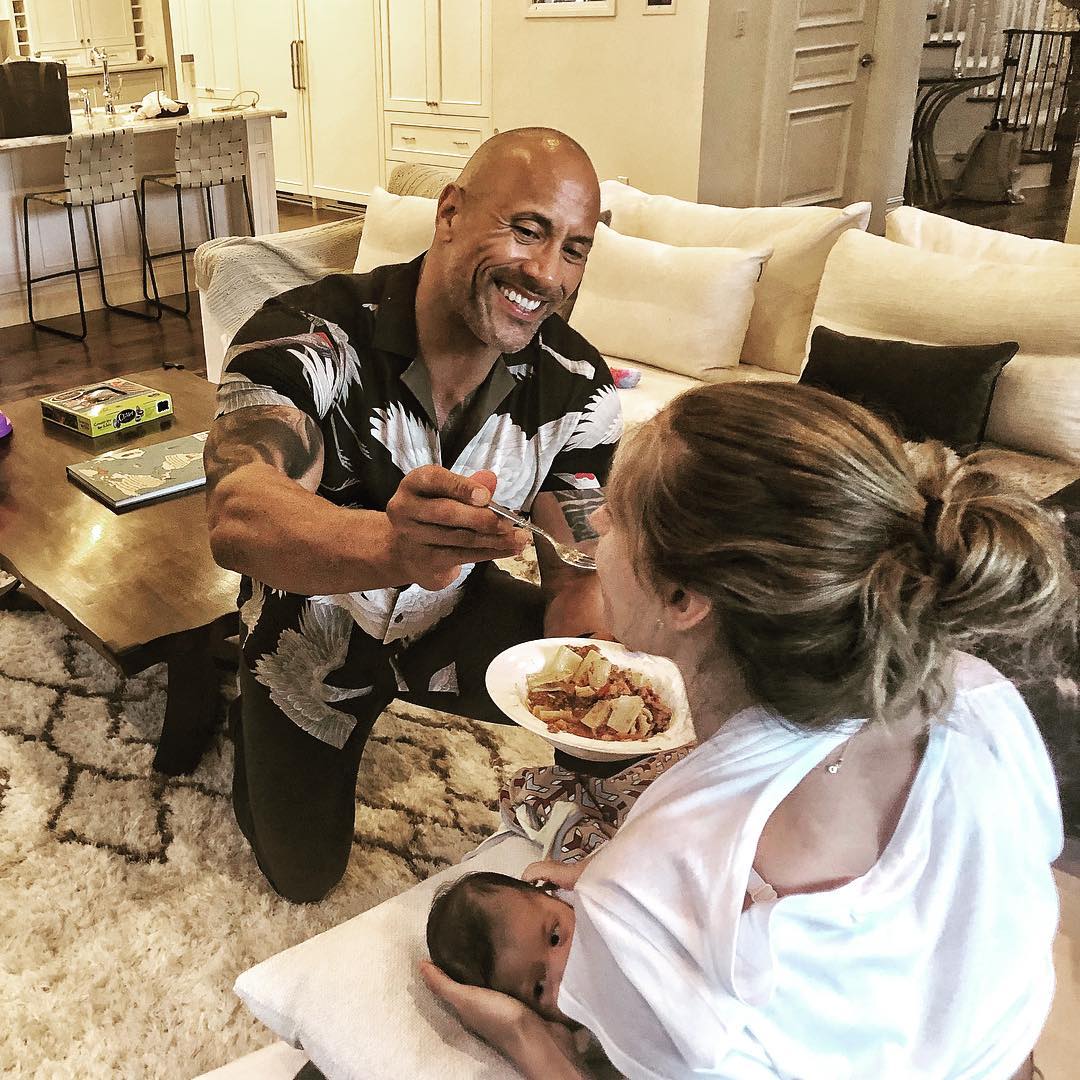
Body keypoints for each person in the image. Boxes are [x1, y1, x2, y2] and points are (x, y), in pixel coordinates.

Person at [422, 382, 1076, 1079]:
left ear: (683, 597)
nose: (599, 519)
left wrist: (530, 1038)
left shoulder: (648, 885)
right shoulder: (977, 695)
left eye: (617, 515)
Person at [204, 128, 621, 903]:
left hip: (456, 617)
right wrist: (391, 547)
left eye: (574, 249)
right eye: (527, 229)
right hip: (310, 632)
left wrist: (595, 679)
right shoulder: (307, 336)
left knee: (616, 703)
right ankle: (247, 728)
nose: (547, 272)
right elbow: (237, 511)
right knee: (302, 877)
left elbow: (579, 570)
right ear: (450, 211)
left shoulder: (577, 383)